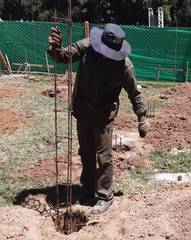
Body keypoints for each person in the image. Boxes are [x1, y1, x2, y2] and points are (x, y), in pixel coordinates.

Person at [48, 23, 149, 214]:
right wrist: (56, 49)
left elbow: (135, 93)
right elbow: (64, 58)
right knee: (86, 153)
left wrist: (141, 118)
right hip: (83, 110)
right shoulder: (86, 46)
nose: (105, 55)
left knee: (104, 157)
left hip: (104, 115)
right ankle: (87, 190)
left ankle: (104, 196)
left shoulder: (125, 66)